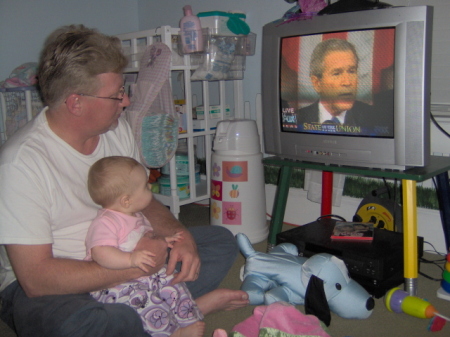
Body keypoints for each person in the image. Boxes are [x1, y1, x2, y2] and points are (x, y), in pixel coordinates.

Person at [0, 24, 248, 337]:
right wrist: (138, 267)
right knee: (79, 325)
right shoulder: (20, 163)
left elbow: (143, 199)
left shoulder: (115, 130)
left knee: (219, 241)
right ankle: (176, 311)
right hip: (57, 286)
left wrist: (178, 234)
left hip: (135, 256)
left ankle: (156, 315)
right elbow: (36, 279)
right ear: (76, 102)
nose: (126, 102)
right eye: (116, 95)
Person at [86, 156, 204, 337]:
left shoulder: (136, 214)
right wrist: (130, 259)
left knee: (172, 282)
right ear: (126, 200)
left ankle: (187, 318)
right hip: (116, 285)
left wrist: (164, 240)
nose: (149, 187)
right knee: (145, 302)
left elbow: (143, 238)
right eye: (144, 186)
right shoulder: (107, 221)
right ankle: (170, 333)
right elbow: (100, 252)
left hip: (146, 275)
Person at [295, 38, 375, 128]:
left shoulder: (375, 118)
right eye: (336, 73)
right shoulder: (298, 119)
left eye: (351, 71)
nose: (347, 82)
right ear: (317, 83)